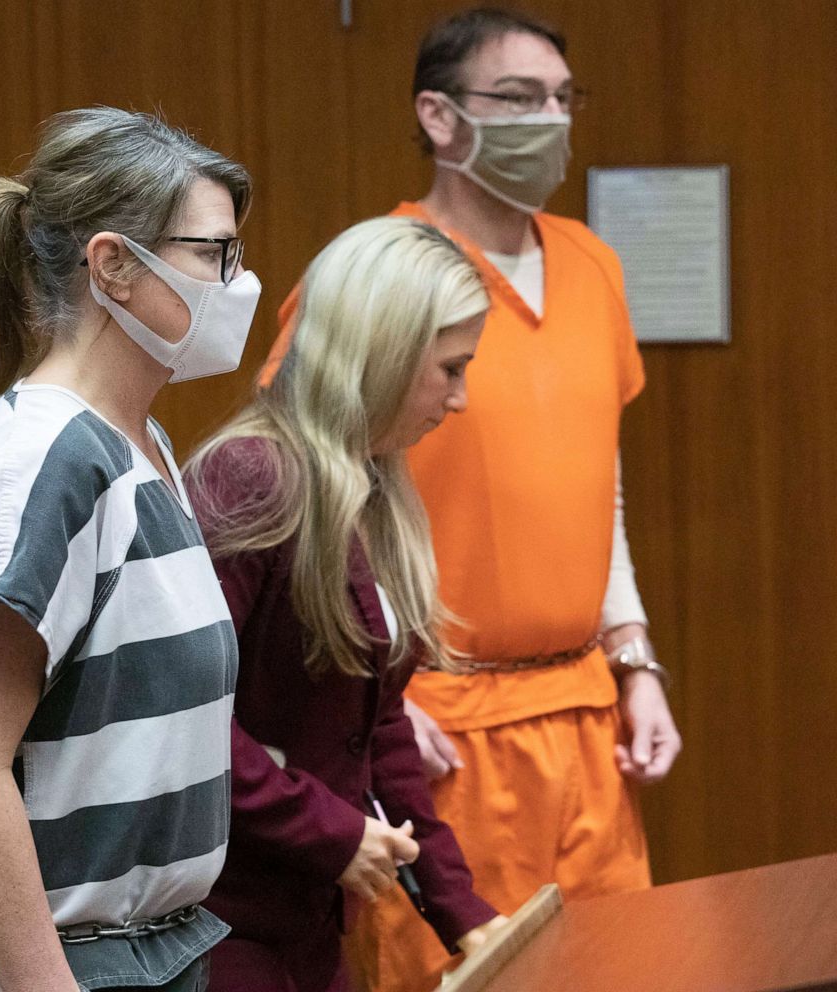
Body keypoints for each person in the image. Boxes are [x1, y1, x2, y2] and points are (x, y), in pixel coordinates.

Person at [272, 8, 683, 991]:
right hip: (438, 723)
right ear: (439, 115)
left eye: (559, 98)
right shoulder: (377, 272)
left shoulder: (591, 263)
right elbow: (300, 488)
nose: (549, 119)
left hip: (580, 710)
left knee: (617, 971)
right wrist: (369, 690)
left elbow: (597, 482)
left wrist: (633, 654)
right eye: (516, 98)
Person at [0, 107, 261, 992]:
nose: (236, 284)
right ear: (114, 265)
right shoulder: (44, 463)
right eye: (214, 254)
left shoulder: (141, 443)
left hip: (149, 952)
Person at [183, 217, 507, 992]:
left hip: (310, 921)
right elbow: (184, 720)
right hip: (219, 923)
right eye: (451, 369)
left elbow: (379, 723)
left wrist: (466, 912)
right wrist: (333, 833)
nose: (460, 399)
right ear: (386, 356)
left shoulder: (375, 487)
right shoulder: (249, 478)